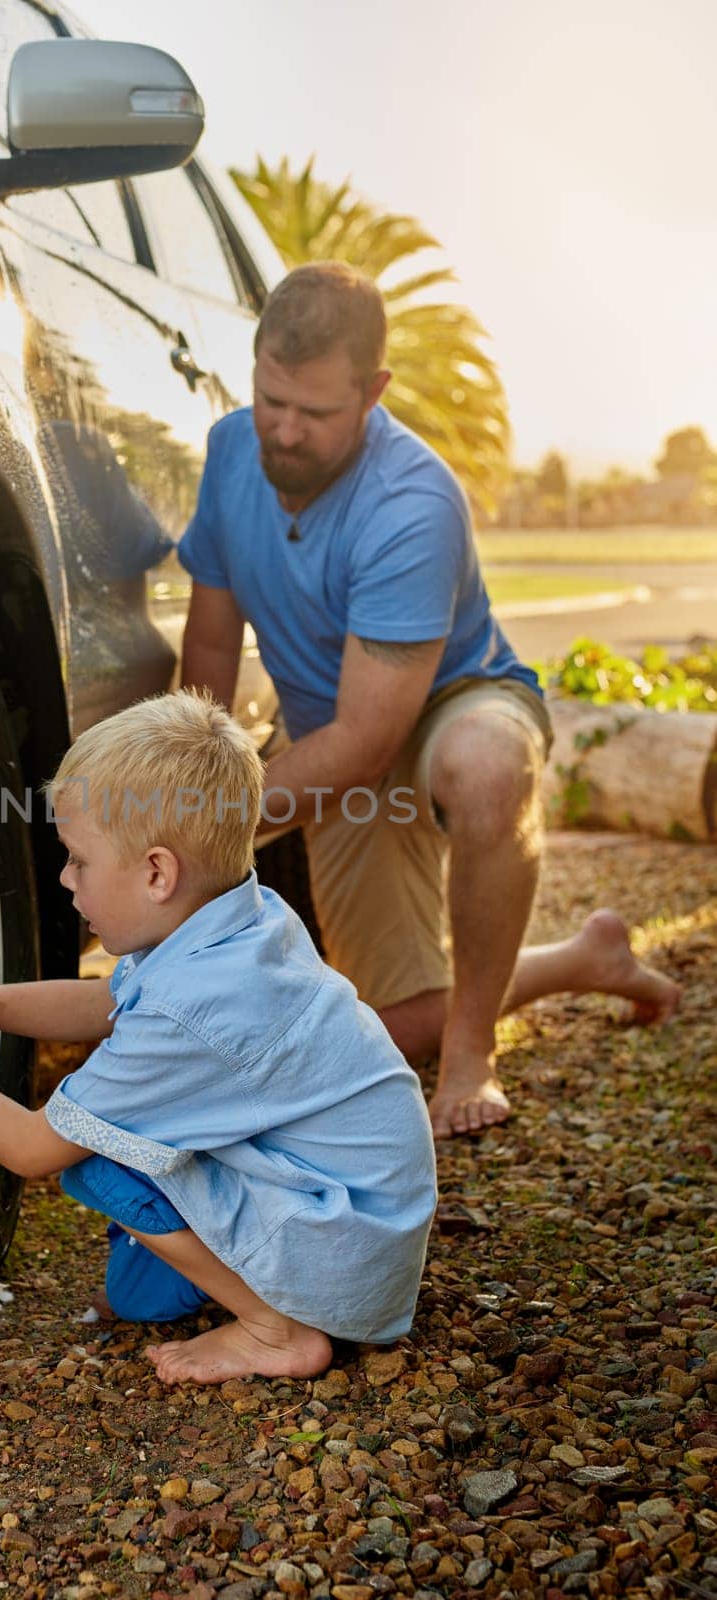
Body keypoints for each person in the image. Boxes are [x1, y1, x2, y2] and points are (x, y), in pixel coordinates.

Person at [178, 262, 679, 1140]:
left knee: (486, 766)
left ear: (374, 392)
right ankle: (580, 958)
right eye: (271, 399)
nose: (285, 432)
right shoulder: (229, 453)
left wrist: (202, 833)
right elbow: (213, 643)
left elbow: (372, 744)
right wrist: (189, 780)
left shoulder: (413, 501)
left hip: (452, 703)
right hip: (333, 722)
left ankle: (474, 1049)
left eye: (317, 412)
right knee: (381, 1027)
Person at [0, 690, 437, 1386]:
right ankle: (254, 1290)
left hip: (342, 1251)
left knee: (94, 1157)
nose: (64, 878)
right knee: (138, 1298)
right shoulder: (240, 919)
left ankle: (275, 1330)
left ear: (157, 873)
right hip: (357, 1227)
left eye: (78, 859)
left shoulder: (189, 1010)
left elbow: (31, 1148)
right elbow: (103, 1002)